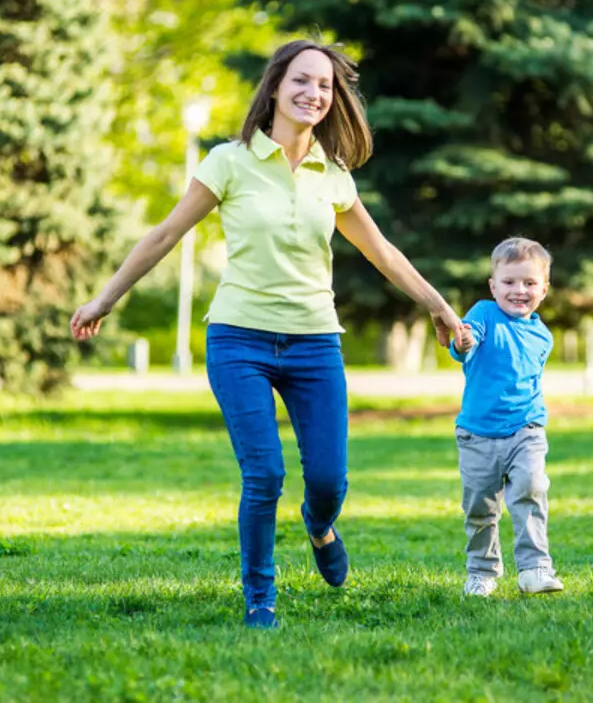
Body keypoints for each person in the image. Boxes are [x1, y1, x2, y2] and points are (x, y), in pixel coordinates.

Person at [70, 40, 462, 629]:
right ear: (276, 87)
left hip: (314, 343)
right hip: (239, 341)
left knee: (329, 480)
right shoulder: (229, 162)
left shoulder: (333, 176)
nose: (314, 94)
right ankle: (261, 599)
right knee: (265, 474)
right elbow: (165, 234)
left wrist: (437, 305)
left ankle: (319, 524)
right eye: (302, 81)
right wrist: (105, 297)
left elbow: (382, 252)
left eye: (326, 86)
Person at [448, 237, 564, 598]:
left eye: (530, 283)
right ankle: (482, 571)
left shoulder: (542, 335)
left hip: (526, 430)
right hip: (477, 435)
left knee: (531, 489)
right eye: (510, 282)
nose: (519, 290)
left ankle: (534, 569)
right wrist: (463, 342)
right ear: (493, 286)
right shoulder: (483, 314)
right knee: (480, 507)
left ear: (543, 290)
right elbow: (465, 342)